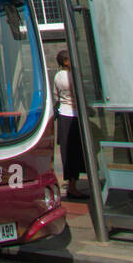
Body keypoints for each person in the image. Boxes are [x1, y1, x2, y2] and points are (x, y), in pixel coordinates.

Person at [53, 49, 86, 197]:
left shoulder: (57, 76)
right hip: (73, 115)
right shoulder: (72, 77)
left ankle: (72, 185)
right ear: (66, 62)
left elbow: (56, 96)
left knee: (68, 152)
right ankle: (72, 187)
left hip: (63, 115)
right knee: (75, 152)